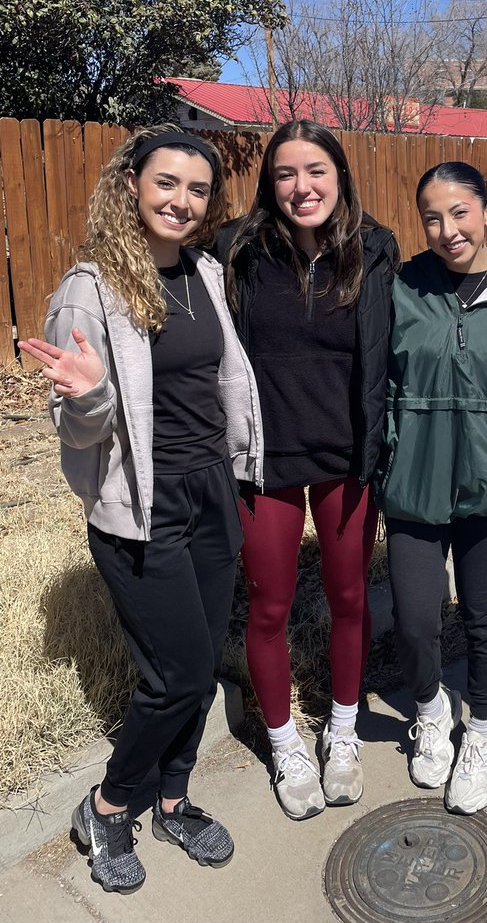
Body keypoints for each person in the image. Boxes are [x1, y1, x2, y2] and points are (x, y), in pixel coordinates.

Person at [19, 125, 263, 895]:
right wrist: (88, 395)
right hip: (140, 504)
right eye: (167, 183)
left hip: (212, 488)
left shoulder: (205, 272)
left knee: (202, 661)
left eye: (197, 189)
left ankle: (174, 798)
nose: (182, 201)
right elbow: (75, 432)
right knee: (179, 673)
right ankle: (107, 804)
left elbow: (223, 381)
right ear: (132, 186)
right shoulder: (89, 289)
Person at [219, 119, 397, 821]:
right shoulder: (236, 251)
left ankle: (343, 732)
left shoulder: (374, 250)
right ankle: (285, 743)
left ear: (340, 176)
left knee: (349, 596)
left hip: (346, 459)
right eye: (286, 173)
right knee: (270, 606)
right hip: (266, 461)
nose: (302, 187)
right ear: (270, 184)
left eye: (316, 170)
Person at [379, 161, 487, 815]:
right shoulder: (401, 288)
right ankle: (429, 710)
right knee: (417, 618)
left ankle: (482, 731)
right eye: (432, 218)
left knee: (484, 617)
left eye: (460, 213)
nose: (448, 230)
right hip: (414, 479)